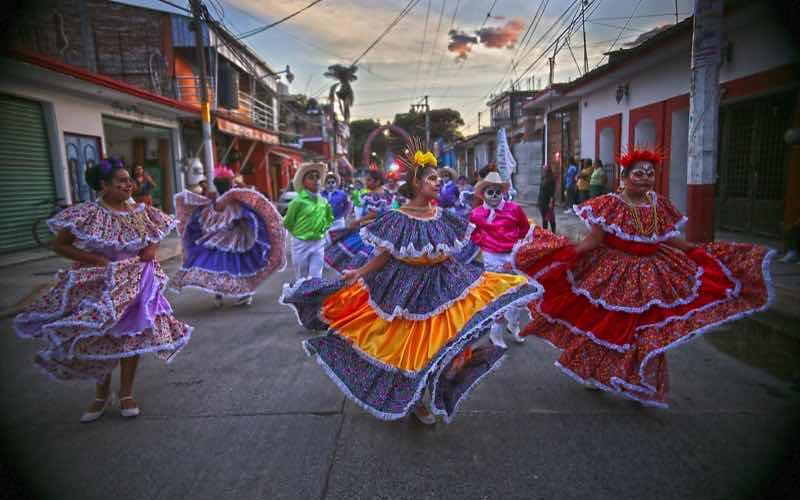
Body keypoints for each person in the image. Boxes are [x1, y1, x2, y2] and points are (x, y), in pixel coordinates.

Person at [280, 148, 542, 424]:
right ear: (417, 184)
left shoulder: (443, 216)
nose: (438, 182)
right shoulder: (397, 218)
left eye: (439, 178)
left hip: (443, 286)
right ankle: (415, 399)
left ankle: (433, 390)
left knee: (443, 344)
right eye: (432, 178)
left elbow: (451, 253)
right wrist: (359, 272)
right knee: (409, 350)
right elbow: (384, 256)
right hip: (404, 291)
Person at [513, 148, 774, 407]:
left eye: (650, 173)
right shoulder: (610, 205)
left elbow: (668, 237)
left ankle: (639, 379)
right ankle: (594, 369)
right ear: (624, 178)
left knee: (648, 330)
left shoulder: (659, 204)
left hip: (654, 275)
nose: (646, 178)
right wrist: (561, 256)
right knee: (609, 326)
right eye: (639, 173)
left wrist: (699, 253)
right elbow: (593, 241)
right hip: (615, 274)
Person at [14, 159, 192, 422]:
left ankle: (126, 393)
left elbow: (154, 236)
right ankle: (101, 394)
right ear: (103, 186)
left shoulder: (140, 211)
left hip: (137, 280)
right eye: (121, 181)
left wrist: (151, 249)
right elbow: (60, 245)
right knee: (101, 334)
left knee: (131, 335)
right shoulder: (89, 214)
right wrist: (98, 261)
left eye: (129, 179)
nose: (128, 184)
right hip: (102, 282)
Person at [171, 164, 286, 308]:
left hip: (223, 237)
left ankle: (221, 295)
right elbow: (249, 215)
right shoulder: (234, 199)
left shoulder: (218, 200)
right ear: (230, 183)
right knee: (239, 267)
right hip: (236, 238)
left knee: (220, 265)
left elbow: (207, 219)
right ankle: (243, 294)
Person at [469, 171, 531, 348]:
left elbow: (525, 230)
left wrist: (515, 251)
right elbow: (473, 233)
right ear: (484, 194)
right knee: (498, 295)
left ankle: (513, 325)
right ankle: (495, 334)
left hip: (513, 254)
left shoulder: (514, 209)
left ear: (502, 192)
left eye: (497, 191)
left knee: (519, 293)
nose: (495, 195)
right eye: (490, 191)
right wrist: (486, 243)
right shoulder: (477, 214)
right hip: (491, 257)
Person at [324, 169, 394, 273]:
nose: (366, 182)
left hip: (370, 232)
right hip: (381, 232)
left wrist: (357, 222)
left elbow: (373, 214)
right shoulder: (386, 194)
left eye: (369, 180)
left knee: (359, 260)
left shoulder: (374, 195)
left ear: (378, 181)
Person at [283, 162, 334, 281]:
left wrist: (321, 229)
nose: (316, 180)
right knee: (302, 279)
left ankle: (314, 298)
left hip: (318, 243)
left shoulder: (324, 201)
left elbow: (329, 218)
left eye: (317, 177)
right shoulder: (297, 202)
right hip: (301, 243)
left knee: (316, 277)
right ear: (304, 182)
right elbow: (288, 223)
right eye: (311, 177)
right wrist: (300, 234)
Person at [537, 164, 557, 232]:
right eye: (543, 169)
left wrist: (551, 203)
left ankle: (553, 232)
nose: (543, 171)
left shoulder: (551, 180)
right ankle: (545, 232)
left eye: (544, 169)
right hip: (542, 201)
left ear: (548, 171)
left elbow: (552, 192)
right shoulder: (543, 178)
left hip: (548, 201)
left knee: (551, 218)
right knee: (544, 218)